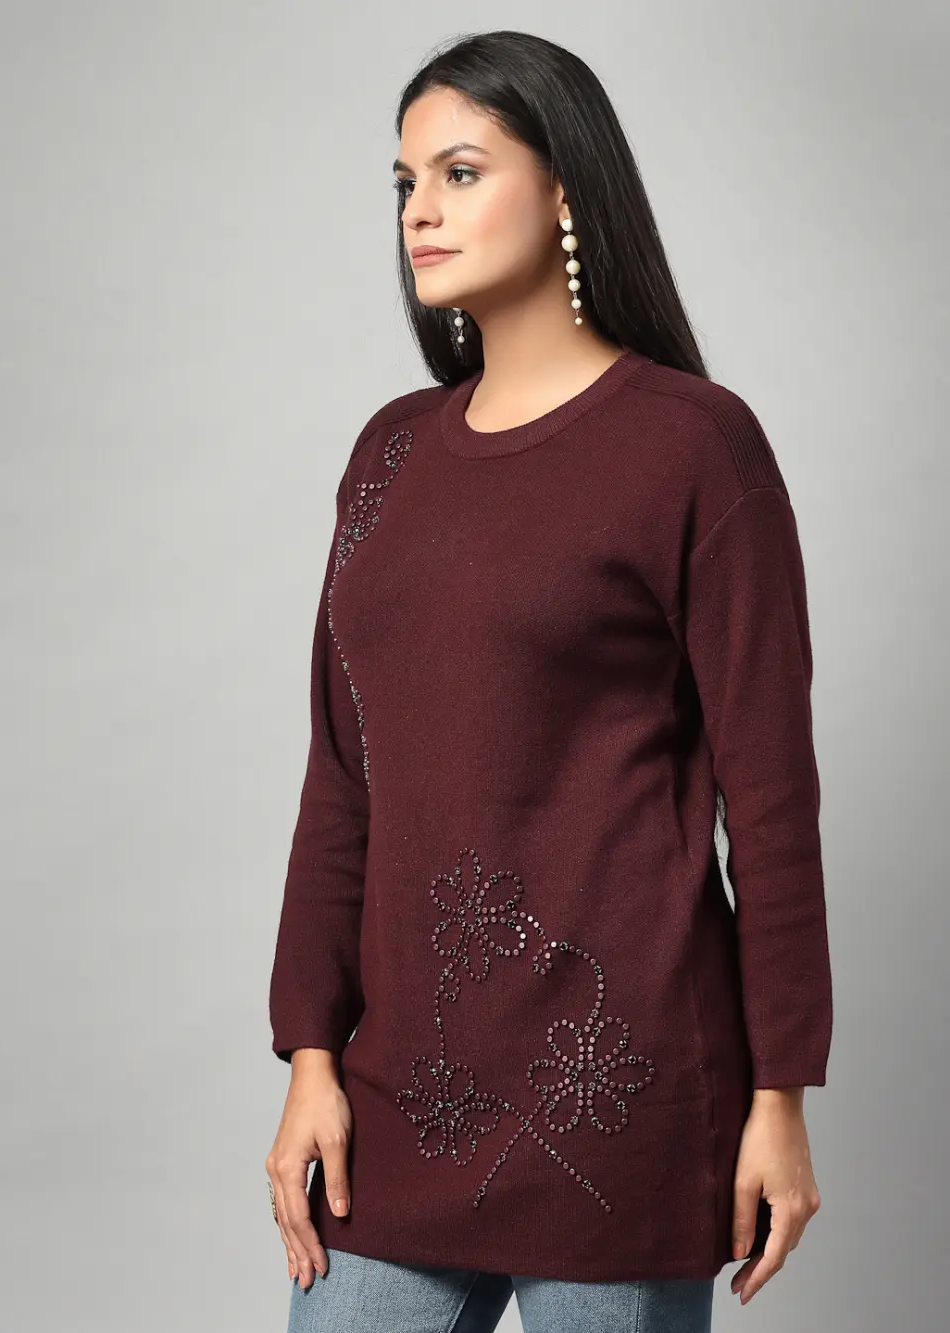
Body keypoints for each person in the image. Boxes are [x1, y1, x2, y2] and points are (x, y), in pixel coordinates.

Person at [265, 28, 831, 1333]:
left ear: (567, 188)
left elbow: (771, 800)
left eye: (460, 172)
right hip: (399, 1097)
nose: (420, 211)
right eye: (405, 182)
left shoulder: (694, 447)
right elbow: (342, 779)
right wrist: (308, 1054)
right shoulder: (390, 455)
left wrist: (779, 1096)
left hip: (615, 1102)